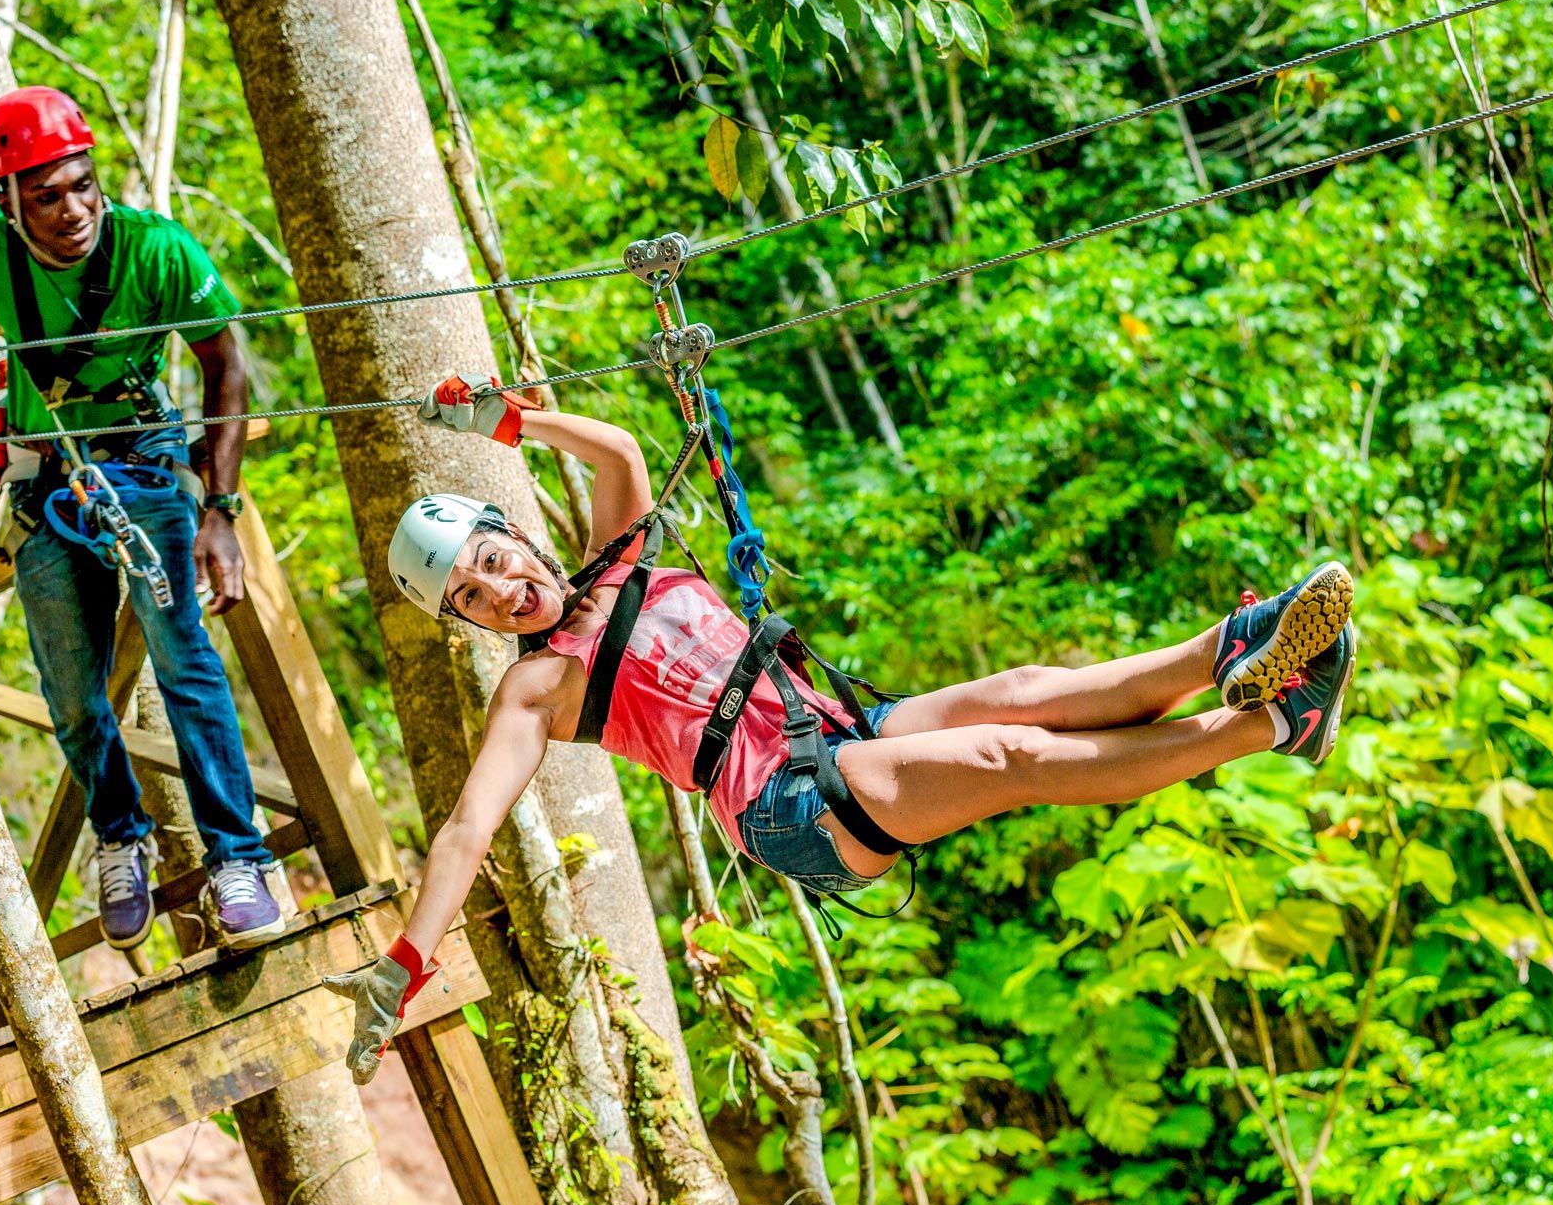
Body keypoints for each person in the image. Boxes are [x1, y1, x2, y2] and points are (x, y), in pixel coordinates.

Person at [322, 376, 1359, 1081]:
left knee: (1034, 686)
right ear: (469, 625)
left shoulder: (619, 556)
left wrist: (506, 420)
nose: (502, 591)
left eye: (493, 561)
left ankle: (1238, 642)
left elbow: (620, 448)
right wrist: (405, 958)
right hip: (788, 804)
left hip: (838, 724)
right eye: (472, 598)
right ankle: (1275, 720)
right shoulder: (535, 689)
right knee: (1013, 756)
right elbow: (468, 828)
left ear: (513, 537)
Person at [0, 86, 283, 949]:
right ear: (9, 200)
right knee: (72, 695)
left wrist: (220, 509)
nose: (72, 210)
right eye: (46, 196)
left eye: (82, 185)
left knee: (186, 664)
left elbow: (226, 369)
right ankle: (121, 839)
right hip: (46, 488)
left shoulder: (157, 251)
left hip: (147, 471)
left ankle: (240, 859)